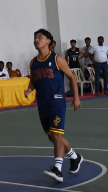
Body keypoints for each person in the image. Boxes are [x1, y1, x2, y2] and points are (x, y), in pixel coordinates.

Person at [24, 29, 83, 182]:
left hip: (57, 101)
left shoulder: (57, 59)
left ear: (48, 41)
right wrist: (29, 89)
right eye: (35, 37)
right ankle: (75, 157)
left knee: (57, 135)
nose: (36, 40)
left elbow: (72, 77)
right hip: (42, 103)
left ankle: (57, 170)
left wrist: (76, 97)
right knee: (53, 137)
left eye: (40, 37)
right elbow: (33, 80)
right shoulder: (33, 62)